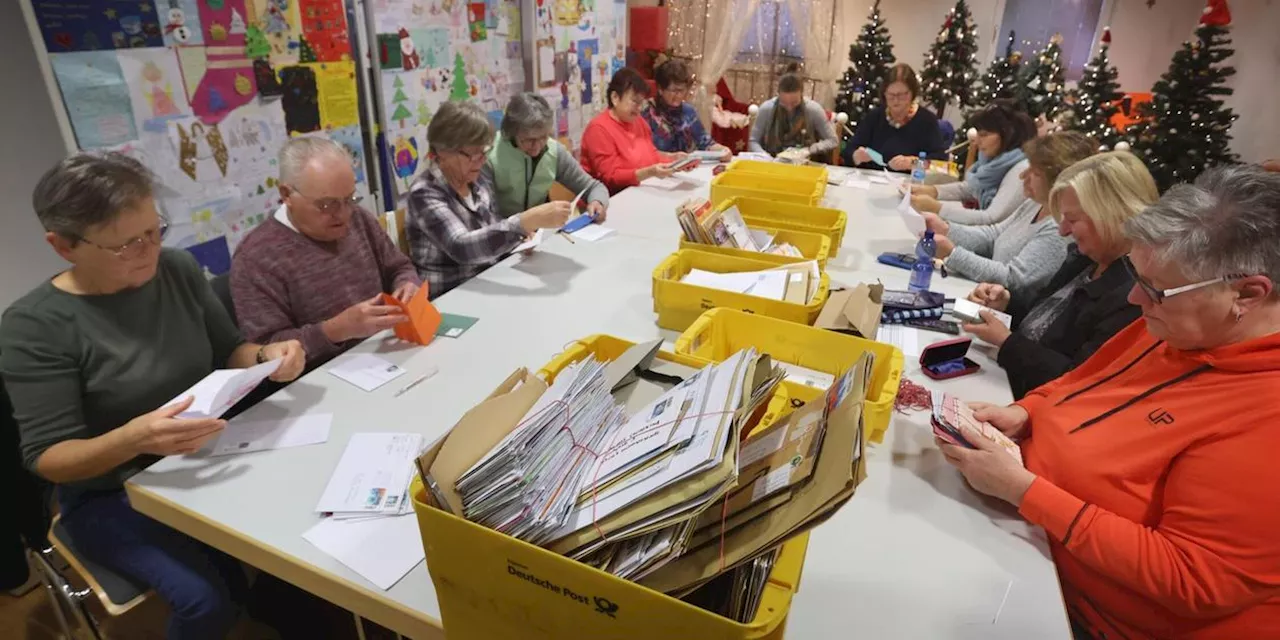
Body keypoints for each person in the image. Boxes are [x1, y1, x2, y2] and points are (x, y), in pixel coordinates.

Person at [938, 165, 1280, 639]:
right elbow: (1080, 382)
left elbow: (1193, 580)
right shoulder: (1176, 323)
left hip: (1082, 615)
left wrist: (1025, 491)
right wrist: (1024, 412)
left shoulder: (1265, 417)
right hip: (1027, 545)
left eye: (1157, 289)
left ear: (1247, 294)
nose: (1136, 298)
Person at [0, 152, 307, 639]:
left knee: (296, 533)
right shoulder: (33, 328)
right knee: (205, 603)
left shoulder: (177, 269)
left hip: (201, 458)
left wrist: (268, 356)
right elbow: (49, 459)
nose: (147, 251)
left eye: (153, 231)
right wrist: (135, 438)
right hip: (110, 493)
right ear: (63, 247)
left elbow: (230, 349)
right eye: (124, 244)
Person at [961, 151, 1158, 399]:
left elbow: (1081, 381)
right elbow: (1044, 319)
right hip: (1005, 381)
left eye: (1072, 220)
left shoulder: (1132, 294)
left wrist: (1007, 343)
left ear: (1113, 215)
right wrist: (1006, 302)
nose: (1063, 231)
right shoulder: (1086, 259)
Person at [231, 137, 422, 368]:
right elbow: (267, 350)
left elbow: (399, 266)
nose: (343, 214)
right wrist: (334, 330)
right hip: (320, 378)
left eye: (349, 198)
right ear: (286, 195)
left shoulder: (358, 218)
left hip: (386, 352)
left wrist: (407, 284)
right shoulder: (255, 258)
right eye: (327, 205)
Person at [407, 100, 572, 297]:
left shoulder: (476, 180)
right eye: (473, 154)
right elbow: (462, 247)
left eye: (484, 152)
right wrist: (523, 222)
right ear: (443, 151)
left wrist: (518, 239)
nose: (482, 160)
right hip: (450, 296)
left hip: (486, 281)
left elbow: (491, 226)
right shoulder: (424, 192)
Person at [919, 131, 1095, 302]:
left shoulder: (1060, 229)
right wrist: (946, 229)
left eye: (1035, 173)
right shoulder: (1036, 204)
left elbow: (1014, 278)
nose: (1022, 176)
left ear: (1058, 182)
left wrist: (952, 253)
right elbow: (994, 235)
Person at [488, 92, 611, 221]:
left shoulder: (553, 151)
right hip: (503, 234)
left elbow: (593, 187)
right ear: (512, 133)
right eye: (529, 140)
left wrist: (597, 202)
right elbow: (487, 215)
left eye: (543, 137)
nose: (537, 147)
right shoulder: (490, 156)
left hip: (540, 231)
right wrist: (518, 229)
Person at [909, 101, 1037, 225]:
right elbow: (971, 188)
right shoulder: (994, 162)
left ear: (1008, 135)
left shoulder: (1020, 170)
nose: (977, 140)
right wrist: (932, 191)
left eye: (984, 135)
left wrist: (937, 208)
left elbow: (991, 218)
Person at [580, 67, 687, 194]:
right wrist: (649, 172)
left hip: (639, 191)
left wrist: (672, 158)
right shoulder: (598, 129)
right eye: (635, 102)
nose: (639, 108)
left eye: (641, 103)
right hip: (609, 199)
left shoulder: (638, 121)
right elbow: (610, 177)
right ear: (615, 98)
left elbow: (650, 155)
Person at [844, 63, 946, 171]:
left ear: (912, 93)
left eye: (902, 95)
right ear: (884, 93)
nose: (896, 101)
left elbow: (940, 162)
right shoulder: (875, 116)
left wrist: (913, 163)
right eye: (891, 95)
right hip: (873, 181)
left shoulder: (927, 120)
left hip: (910, 184)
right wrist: (856, 156)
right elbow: (849, 151)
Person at [640, 59, 732, 161]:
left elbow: (704, 142)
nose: (679, 95)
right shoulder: (645, 111)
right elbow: (642, 151)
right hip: (656, 171)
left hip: (685, 170)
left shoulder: (688, 111)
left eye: (683, 90)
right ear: (660, 89)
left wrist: (722, 150)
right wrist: (671, 157)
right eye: (675, 90)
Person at [748, 65, 838, 159]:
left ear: (802, 94)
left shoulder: (813, 110)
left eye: (794, 103)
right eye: (784, 103)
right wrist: (764, 156)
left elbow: (833, 140)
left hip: (805, 164)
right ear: (778, 94)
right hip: (772, 162)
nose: (789, 107)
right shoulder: (766, 109)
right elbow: (753, 141)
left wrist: (811, 149)